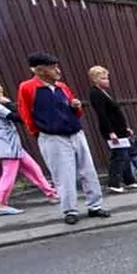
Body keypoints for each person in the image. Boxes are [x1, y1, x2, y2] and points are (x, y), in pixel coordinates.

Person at [17, 52, 109, 225]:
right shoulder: (28, 88)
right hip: (53, 137)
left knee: (88, 171)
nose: (58, 71)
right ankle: (70, 210)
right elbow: (25, 113)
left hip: (75, 132)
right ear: (40, 70)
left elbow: (76, 111)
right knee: (64, 175)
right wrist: (38, 132)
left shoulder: (62, 87)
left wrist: (76, 107)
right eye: (53, 68)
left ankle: (95, 206)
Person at [0, 75, 58, 216]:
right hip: (7, 145)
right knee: (8, 175)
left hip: (13, 145)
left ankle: (51, 194)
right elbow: (18, 117)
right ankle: (0, 203)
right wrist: (7, 102)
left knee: (34, 169)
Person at [87, 66, 137, 194]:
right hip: (113, 131)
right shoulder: (95, 94)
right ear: (95, 80)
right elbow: (102, 114)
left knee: (124, 154)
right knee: (118, 156)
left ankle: (129, 180)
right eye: (103, 78)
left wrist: (125, 128)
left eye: (107, 78)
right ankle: (113, 183)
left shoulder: (103, 93)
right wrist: (111, 132)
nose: (107, 81)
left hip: (119, 129)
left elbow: (114, 114)